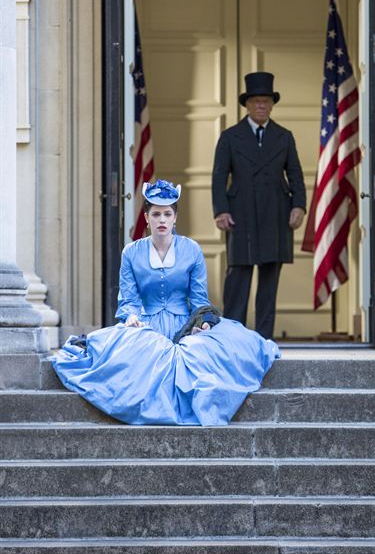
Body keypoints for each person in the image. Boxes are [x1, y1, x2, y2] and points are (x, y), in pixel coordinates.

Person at [51, 179, 279, 426]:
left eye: (167, 214)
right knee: (130, 356)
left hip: (185, 323)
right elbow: (128, 298)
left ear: (174, 218)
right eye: (156, 214)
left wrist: (201, 325)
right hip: (145, 326)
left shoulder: (191, 249)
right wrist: (131, 317)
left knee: (216, 352)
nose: (162, 220)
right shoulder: (131, 252)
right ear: (147, 218)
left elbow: (200, 299)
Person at [212, 71, 306, 340]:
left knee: (269, 281)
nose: (261, 106)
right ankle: (232, 338)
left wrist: (299, 206)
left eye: (266, 101)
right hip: (240, 213)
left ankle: (263, 340)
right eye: (256, 101)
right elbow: (219, 175)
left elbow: (296, 174)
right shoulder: (230, 137)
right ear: (247, 105)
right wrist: (220, 210)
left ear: (272, 104)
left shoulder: (284, 136)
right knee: (238, 278)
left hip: (276, 213)